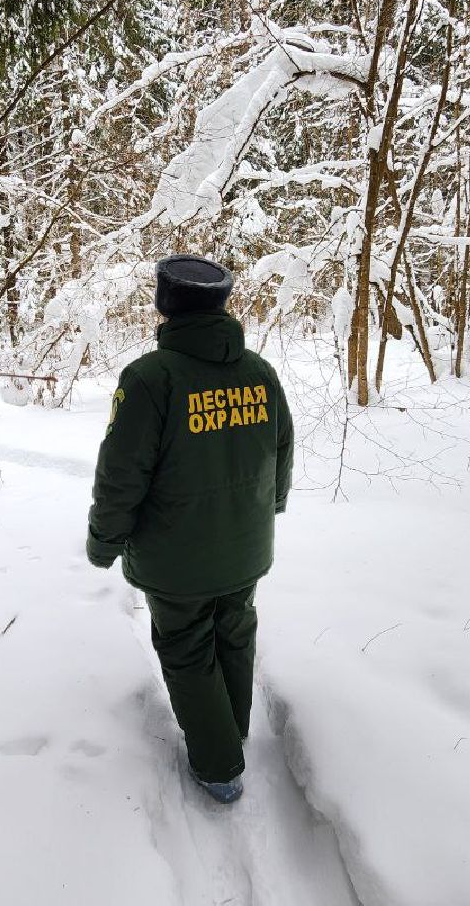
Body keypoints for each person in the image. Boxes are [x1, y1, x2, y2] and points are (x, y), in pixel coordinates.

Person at [86, 254, 293, 804]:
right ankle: (233, 727)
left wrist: (104, 541)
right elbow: (281, 451)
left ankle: (219, 765)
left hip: (177, 562)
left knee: (186, 650)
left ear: (166, 306)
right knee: (234, 630)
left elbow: (120, 476)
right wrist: (268, 507)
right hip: (245, 548)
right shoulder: (258, 373)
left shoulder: (150, 380)